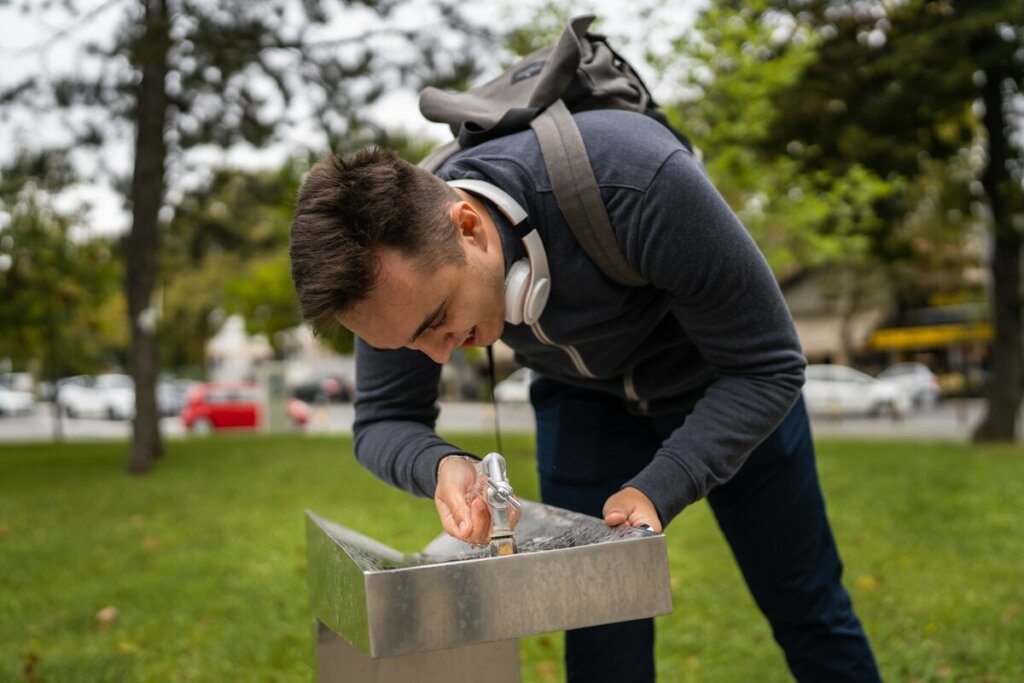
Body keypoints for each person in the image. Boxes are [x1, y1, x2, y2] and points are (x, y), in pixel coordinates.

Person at [289, 109, 881, 682]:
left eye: (438, 319)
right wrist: (441, 464)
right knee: (600, 639)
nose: (441, 355)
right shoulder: (387, 284)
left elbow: (768, 365)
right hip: (581, 405)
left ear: (467, 226)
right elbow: (383, 421)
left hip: (726, 392)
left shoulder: (639, 179)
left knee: (807, 608)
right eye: (409, 344)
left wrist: (661, 484)